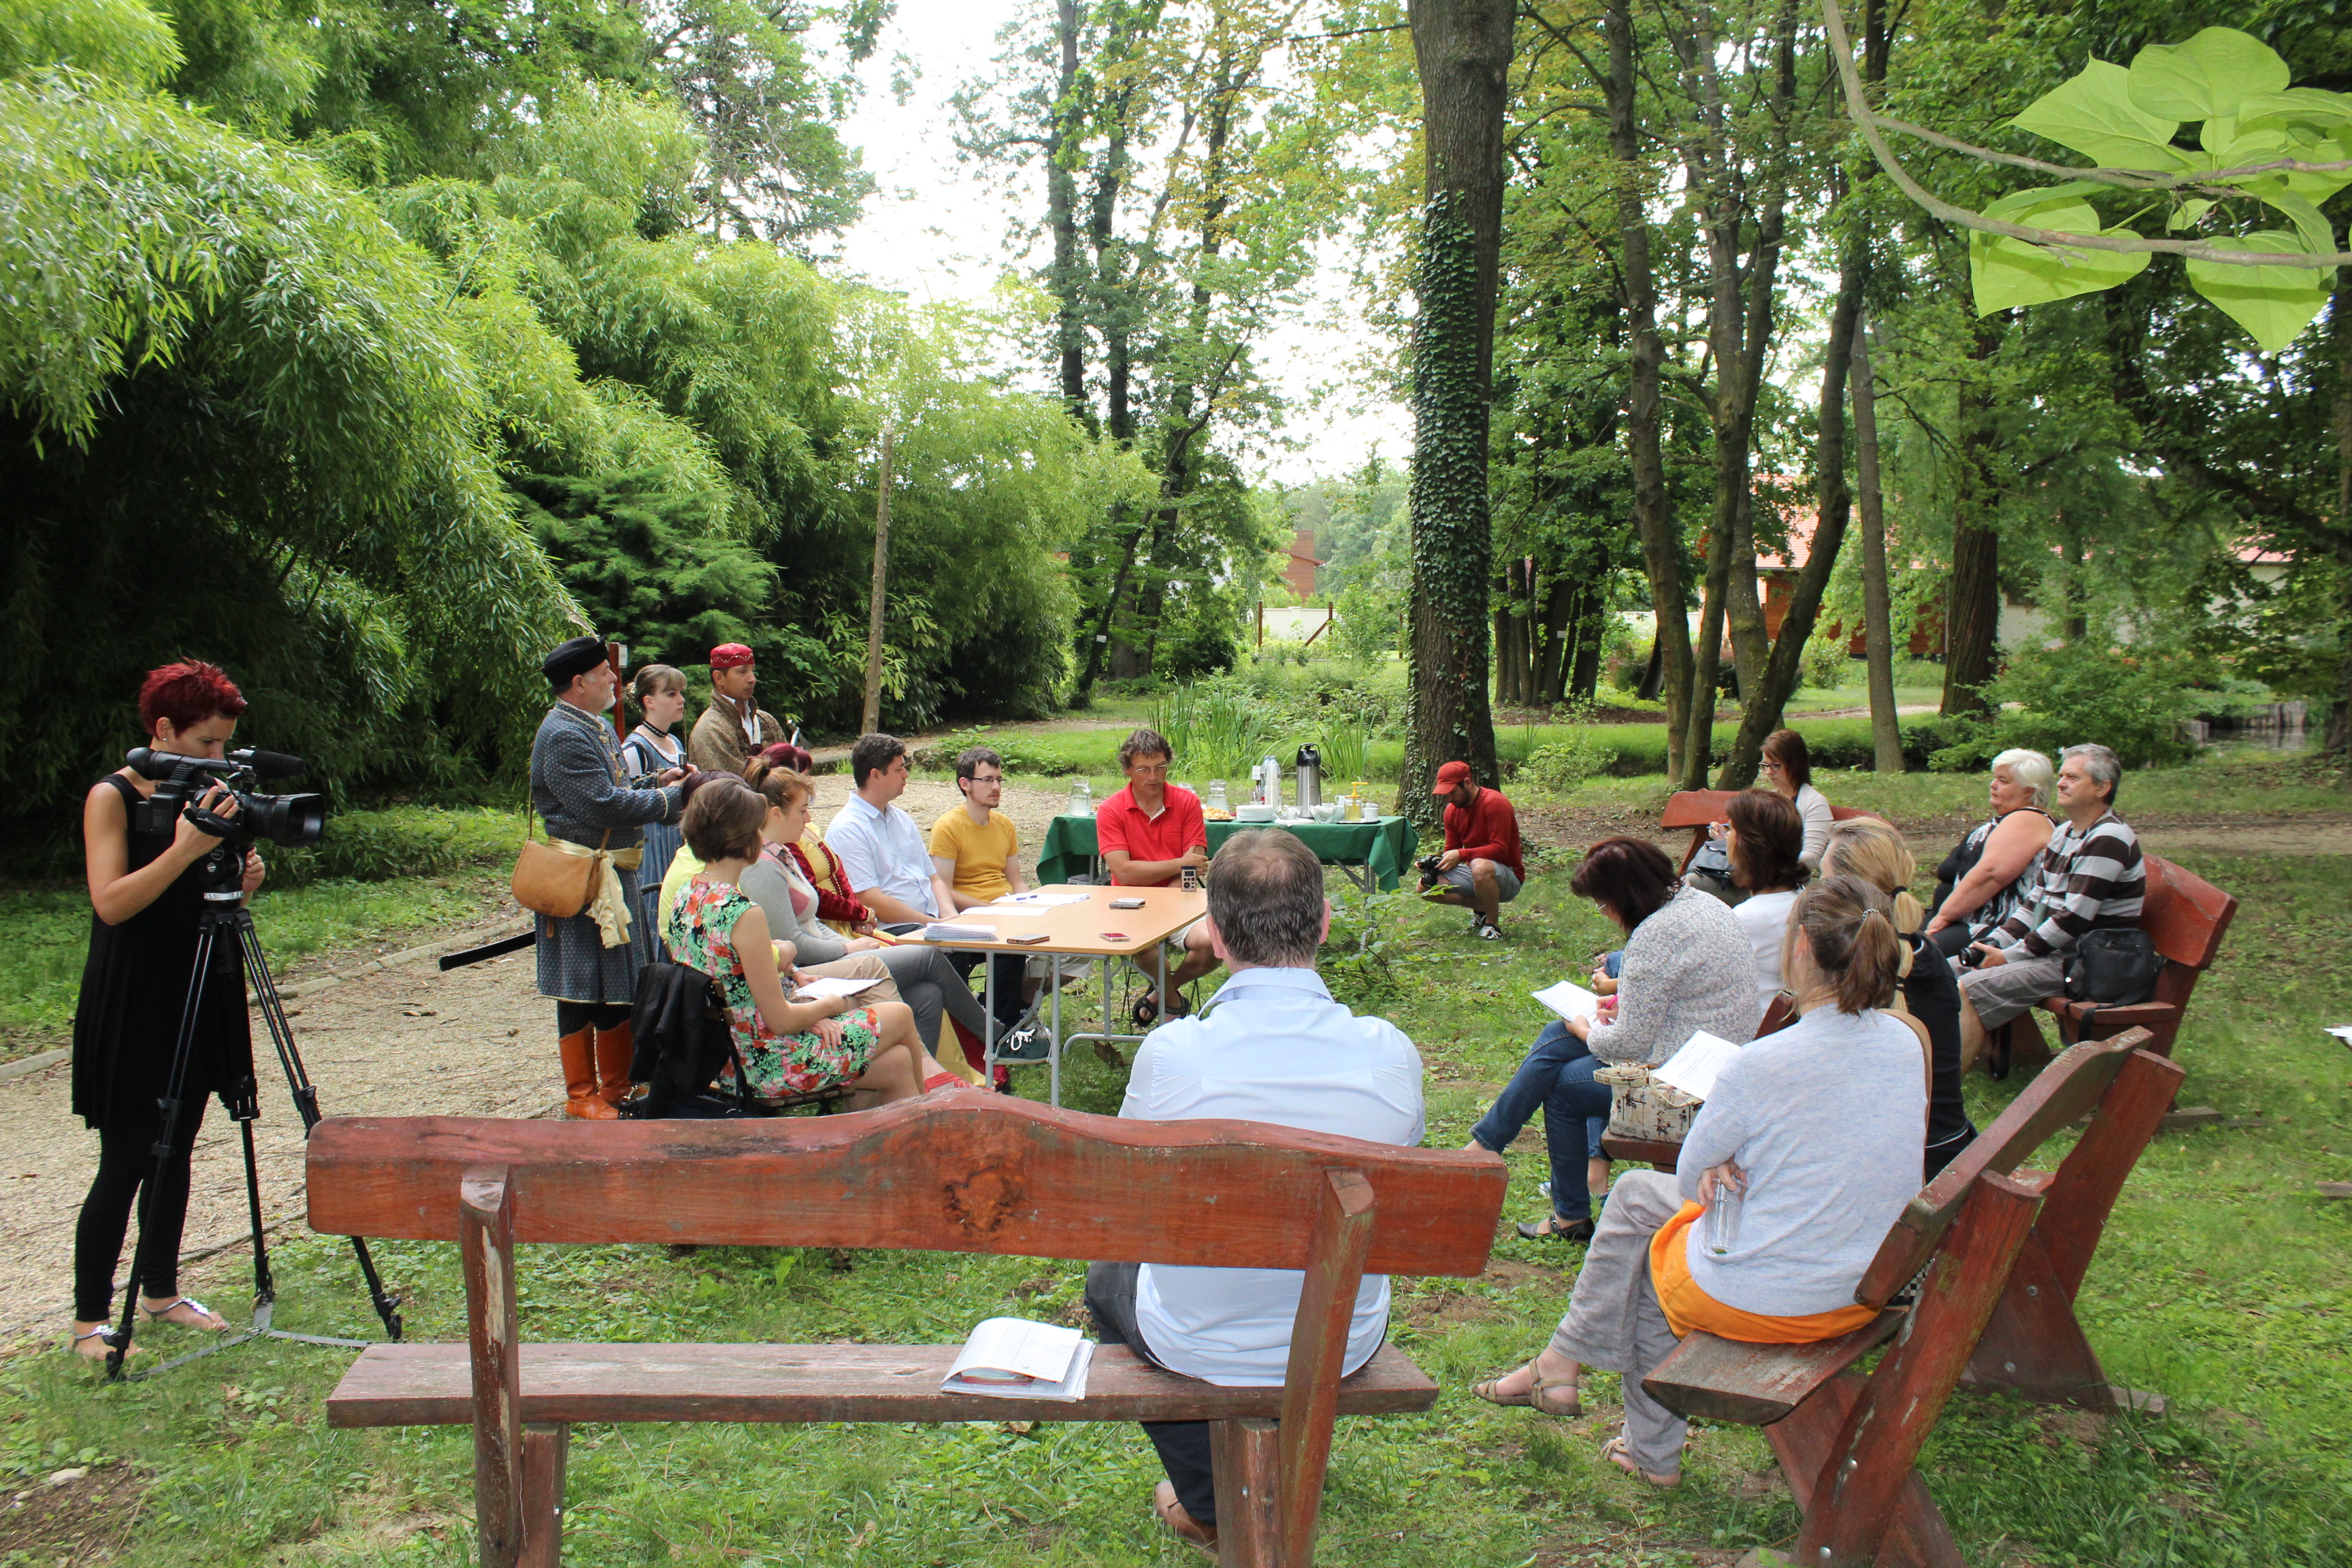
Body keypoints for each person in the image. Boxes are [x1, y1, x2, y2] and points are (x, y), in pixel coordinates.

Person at [1471, 875, 1926, 1489]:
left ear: (1799, 950)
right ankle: (1565, 1372)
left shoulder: (1761, 1063)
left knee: (1653, 1245)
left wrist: (1720, 1161)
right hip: (1870, 1280)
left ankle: (1625, 1428)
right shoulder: (1904, 1042)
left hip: (1784, 1299)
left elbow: (1689, 1182)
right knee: (1637, 1202)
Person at [1083, 830, 1422, 1556]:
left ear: (1211, 930)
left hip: (1198, 1337)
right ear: (1326, 920)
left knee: (1107, 1277)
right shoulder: (1390, 1053)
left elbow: (1121, 1199)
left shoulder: (1173, 1055)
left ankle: (1209, 1500)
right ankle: (1274, 1472)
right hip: (1340, 1337)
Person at [69, 661, 267, 1362]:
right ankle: (90, 1318)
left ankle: (160, 1290)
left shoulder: (212, 794)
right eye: (208, 743)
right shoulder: (112, 797)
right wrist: (187, 849)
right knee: (127, 1154)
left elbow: (202, 900)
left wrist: (239, 886)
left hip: (199, 983)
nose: (221, 759)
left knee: (178, 1145)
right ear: (163, 730)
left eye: (225, 745)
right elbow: (113, 902)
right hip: (134, 993)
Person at [1465, 838, 1759, 1243]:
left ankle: (1563, 1210)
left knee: (1565, 1086)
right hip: (1713, 1053)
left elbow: (1628, 1046)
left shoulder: (1656, 934)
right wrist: (1616, 1012)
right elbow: (1685, 994)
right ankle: (1487, 1145)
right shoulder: (1702, 904)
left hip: (1685, 1080)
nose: (1604, 914)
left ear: (1626, 896)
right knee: (1557, 1036)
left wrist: (1586, 1030)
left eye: (1603, 904)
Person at [664, 779, 945, 1105]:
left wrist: (801, 989)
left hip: (726, 1057)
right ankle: (931, 1115)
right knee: (897, 1014)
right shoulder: (742, 913)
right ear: (743, 838)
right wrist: (833, 1005)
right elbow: (781, 1020)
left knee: (895, 1064)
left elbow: (740, 983)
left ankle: (869, 1147)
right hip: (771, 1064)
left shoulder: (689, 895)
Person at [734, 755, 985, 1083]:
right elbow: (792, 945)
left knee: (927, 994)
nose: (808, 819)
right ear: (776, 814)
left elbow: (811, 921)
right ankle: (992, 1037)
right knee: (927, 956)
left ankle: (915, 1084)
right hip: (807, 973)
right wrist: (848, 950)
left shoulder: (782, 854)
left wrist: (846, 943)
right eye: (803, 810)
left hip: (827, 955)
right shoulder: (764, 867)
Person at [531, 634, 697, 1120]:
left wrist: (657, 783)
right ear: (579, 682)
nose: (615, 682)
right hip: (579, 877)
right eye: (606, 674)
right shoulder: (563, 733)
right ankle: (582, 1095)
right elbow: (600, 804)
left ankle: (616, 1088)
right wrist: (673, 801)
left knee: (617, 979)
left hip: (606, 871)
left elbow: (618, 788)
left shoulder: (592, 724)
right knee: (580, 984)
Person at [1956, 743, 2144, 1071]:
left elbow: (2073, 919)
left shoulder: (2109, 838)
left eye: (2073, 777)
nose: (2060, 783)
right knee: (1946, 968)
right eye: (2061, 776)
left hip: (2085, 961)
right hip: (2055, 952)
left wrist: (2009, 957)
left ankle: (1948, 1088)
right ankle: (1951, 1067)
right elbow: (2035, 904)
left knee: (1967, 986)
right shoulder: (2064, 834)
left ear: (2102, 788)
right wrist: (1995, 943)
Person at [1824, 818, 1974, 1179]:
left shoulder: (1856, 965)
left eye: (1823, 880)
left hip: (1899, 1167)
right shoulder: (1924, 953)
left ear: (1848, 890)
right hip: (1947, 1147)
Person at [1095, 729, 1218, 1025]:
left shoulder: (1187, 802)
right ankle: (1173, 1005)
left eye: (1161, 767)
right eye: (1144, 769)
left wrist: (1174, 885)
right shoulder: (1111, 809)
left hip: (1181, 900)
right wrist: (1179, 863)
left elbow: (1193, 868)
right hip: (1128, 903)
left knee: (1216, 940)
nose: (1154, 776)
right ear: (1127, 769)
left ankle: (1163, 993)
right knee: (1145, 946)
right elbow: (1123, 872)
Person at [930, 746, 1041, 1050]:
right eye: (988, 780)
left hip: (1005, 913)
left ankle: (1005, 1023)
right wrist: (991, 908)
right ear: (965, 784)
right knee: (1008, 950)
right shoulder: (948, 827)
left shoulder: (1004, 825)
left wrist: (1031, 904)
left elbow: (1016, 880)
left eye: (1000, 780)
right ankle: (994, 1030)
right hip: (972, 919)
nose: (996, 787)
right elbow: (943, 888)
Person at [1925, 749, 2057, 958]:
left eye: (2003, 781)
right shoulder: (2012, 819)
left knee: (1913, 960)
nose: (1993, 785)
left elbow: (1990, 875)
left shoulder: (2027, 819)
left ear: (2029, 791)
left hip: (1991, 930)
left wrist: (1942, 918)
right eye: (1995, 778)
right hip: (1964, 922)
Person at [826, 734, 943, 928]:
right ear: (875, 775)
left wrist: (951, 918)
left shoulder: (901, 818)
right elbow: (869, 899)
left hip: (930, 922)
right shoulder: (848, 829)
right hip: (894, 928)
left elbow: (933, 878)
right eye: (899, 769)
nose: (906, 774)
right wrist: (935, 924)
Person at [619, 664, 691, 928]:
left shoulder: (675, 741)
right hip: (652, 844)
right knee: (656, 910)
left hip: (677, 838)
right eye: (671, 694)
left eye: (681, 693)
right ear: (649, 701)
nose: (681, 700)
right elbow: (628, 801)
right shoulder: (635, 748)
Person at [1421, 760, 1524, 941]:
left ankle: (1493, 925)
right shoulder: (1452, 811)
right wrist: (1434, 863)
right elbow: (1451, 850)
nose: (1449, 799)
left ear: (1467, 783)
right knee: (1425, 887)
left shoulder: (1494, 803)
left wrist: (1462, 854)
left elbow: (1500, 850)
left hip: (1508, 876)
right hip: (1475, 871)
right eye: (1446, 794)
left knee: (1479, 865)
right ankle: (1482, 909)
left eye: (1453, 792)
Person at [1725, 790, 1808, 1011]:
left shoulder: (1748, 917)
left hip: (1754, 1030)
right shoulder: (1802, 898)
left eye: (1731, 829)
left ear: (1747, 845)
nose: (1726, 836)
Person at [687, 642, 788, 777]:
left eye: (752, 671)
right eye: (742, 671)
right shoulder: (711, 729)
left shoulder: (766, 720)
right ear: (719, 678)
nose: (753, 679)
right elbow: (730, 789)